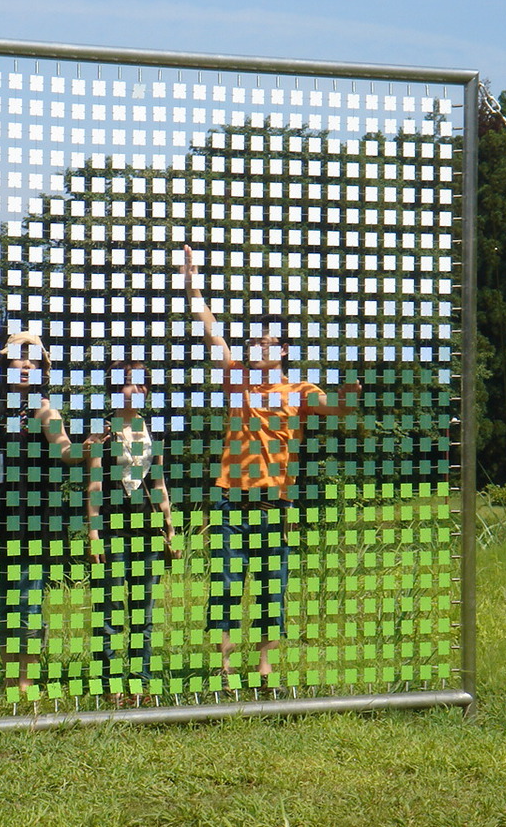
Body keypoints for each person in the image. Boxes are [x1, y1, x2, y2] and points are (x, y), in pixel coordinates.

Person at [179, 244, 360, 683]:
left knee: (269, 584)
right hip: (230, 500)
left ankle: (264, 665)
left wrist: (355, 389)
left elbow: (338, 407)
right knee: (225, 584)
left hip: (272, 504)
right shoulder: (237, 379)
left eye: (267, 341)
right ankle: (223, 666)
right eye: (254, 340)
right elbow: (211, 332)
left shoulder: (300, 391)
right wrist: (192, 287)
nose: (258, 346)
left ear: (283, 350)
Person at [0, 332, 87, 693]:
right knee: (3, 603)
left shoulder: (44, 410)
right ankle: (10, 680)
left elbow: (65, 449)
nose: (25, 365)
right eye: (19, 358)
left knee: (27, 601)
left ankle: (25, 683)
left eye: (33, 359)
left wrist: (87, 449)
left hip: (33, 520)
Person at [85, 360, 179, 700]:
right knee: (108, 611)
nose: (136, 389)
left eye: (142, 383)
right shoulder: (101, 431)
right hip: (112, 527)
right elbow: (94, 485)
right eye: (129, 382)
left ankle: (141, 681)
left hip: (147, 530)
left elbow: (160, 484)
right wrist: (93, 534)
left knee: (143, 611)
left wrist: (170, 527)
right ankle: (108, 685)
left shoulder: (154, 431)